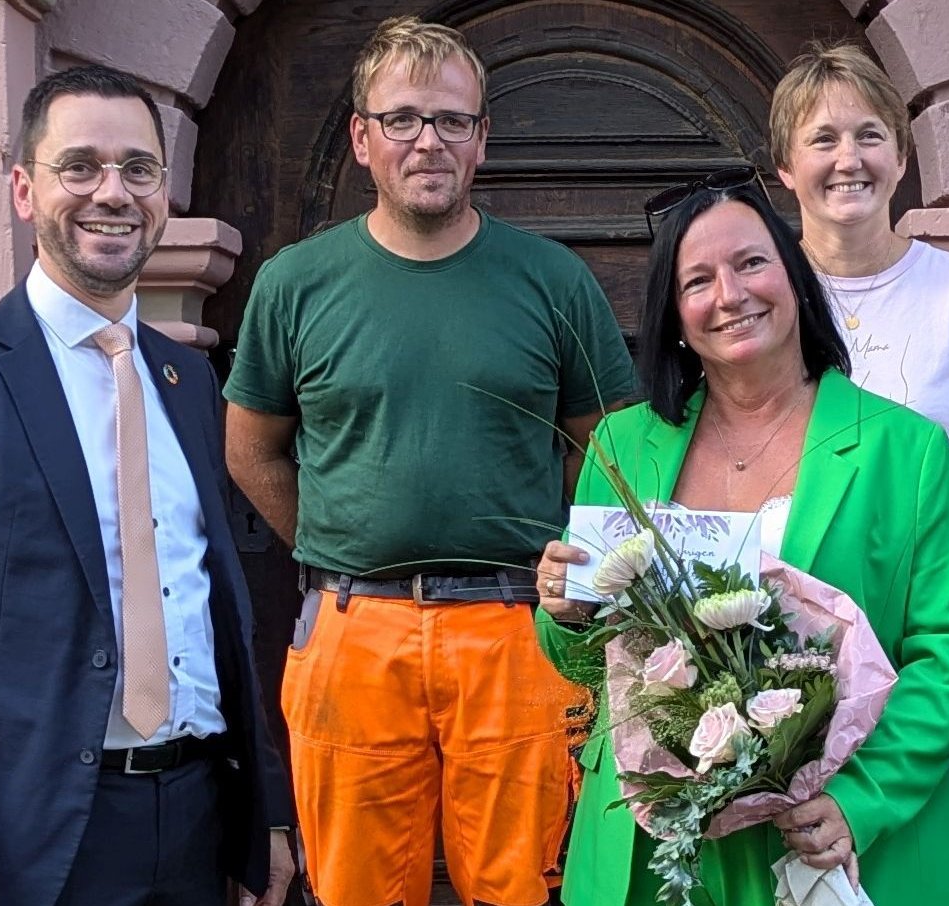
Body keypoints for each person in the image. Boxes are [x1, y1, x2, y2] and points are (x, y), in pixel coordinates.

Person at [0, 65, 295, 906]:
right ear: (25, 190)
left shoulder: (187, 382)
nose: (113, 193)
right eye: (81, 166)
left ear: (162, 195)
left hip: (199, 823)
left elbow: (219, 609)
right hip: (37, 840)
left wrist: (265, 812)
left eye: (138, 169)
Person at [221, 16, 636, 906]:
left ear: (482, 138)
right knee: (356, 891)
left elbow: (609, 451)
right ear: (361, 137)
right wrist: (343, 540)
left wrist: (559, 573)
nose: (428, 141)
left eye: (452, 120)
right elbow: (250, 449)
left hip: (518, 629)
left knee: (524, 889)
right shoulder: (294, 283)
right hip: (353, 628)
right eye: (402, 119)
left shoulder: (552, 280)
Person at [533, 172, 949, 906]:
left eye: (751, 263)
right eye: (698, 280)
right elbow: (588, 664)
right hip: (662, 851)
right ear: (674, 314)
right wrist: (564, 612)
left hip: (824, 833)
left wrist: (860, 799)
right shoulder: (622, 446)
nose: (730, 294)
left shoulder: (905, 450)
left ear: (794, 278)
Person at [770, 42, 949, 822]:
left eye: (869, 136)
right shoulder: (763, 298)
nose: (848, 159)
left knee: (922, 867)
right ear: (784, 167)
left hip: (930, 660)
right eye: (822, 139)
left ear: (902, 156)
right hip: (785, 663)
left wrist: (917, 587)